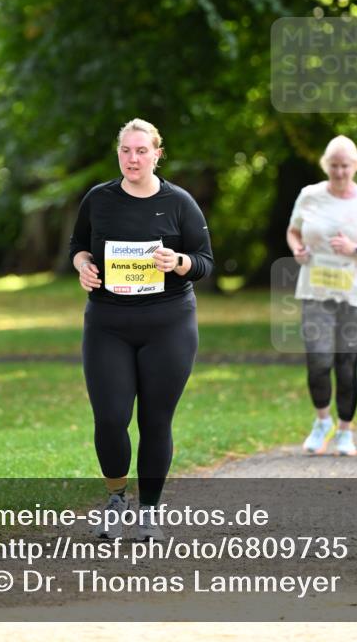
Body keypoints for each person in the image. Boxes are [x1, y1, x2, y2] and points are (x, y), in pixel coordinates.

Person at [69, 118, 214, 540]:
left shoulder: (180, 202)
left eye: (141, 151)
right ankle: (116, 499)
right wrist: (83, 267)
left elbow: (205, 261)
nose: (133, 159)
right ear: (119, 154)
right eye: (126, 151)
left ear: (157, 154)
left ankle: (149, 510)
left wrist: (179, 262)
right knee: (111, 417)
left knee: (155, 420)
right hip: (108, 324)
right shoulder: (99, 199)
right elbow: (78, 246)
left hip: (168, 324)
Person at [286, 135, 357, 457]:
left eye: (345, 166)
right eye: (334, 165)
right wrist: (297, 249)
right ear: (326, 166)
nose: (340, 172)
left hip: (356, 293)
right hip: (316, 291)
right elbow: (293, 231)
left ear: (356, 166)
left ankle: (345, 431)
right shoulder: (310, 195)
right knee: (318, 361)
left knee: (346, 364)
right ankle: (322, 422)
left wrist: (354, 248)